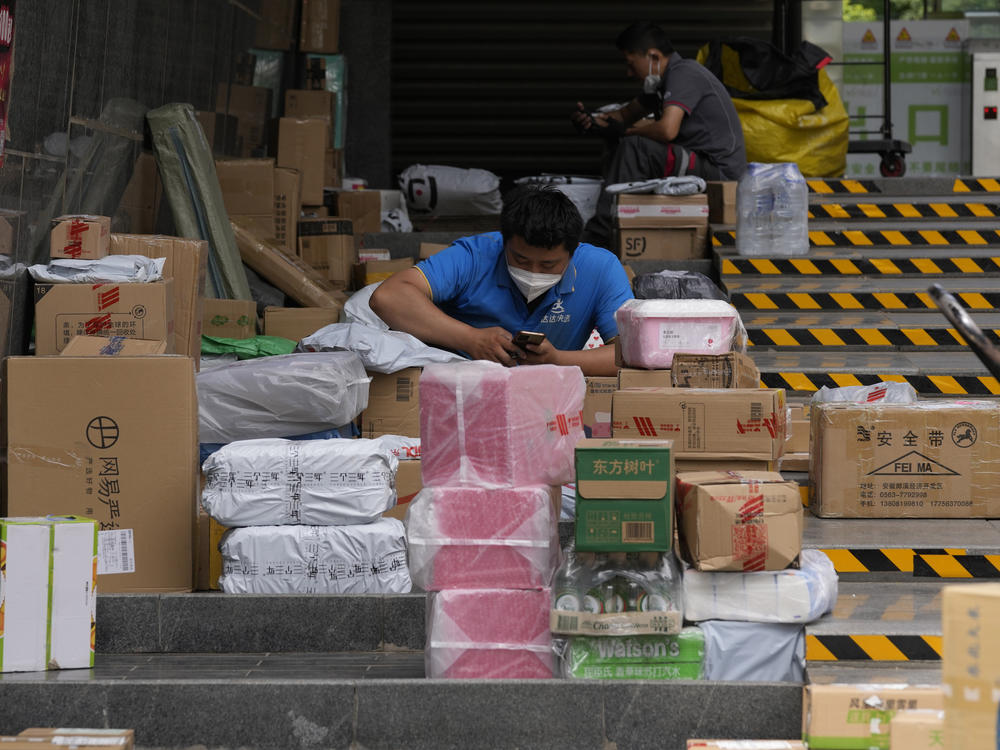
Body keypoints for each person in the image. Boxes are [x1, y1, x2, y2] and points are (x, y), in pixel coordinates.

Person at [369, 184, 633, 377]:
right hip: (458, 390)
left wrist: (557, 359)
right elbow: (388, 297)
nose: (534, 272)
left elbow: (630, 353)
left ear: (573, 252)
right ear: (503, 241)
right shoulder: (474, 255)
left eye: (549, 265)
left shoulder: (600, 268)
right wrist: (471, 339)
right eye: (520, 260)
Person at [573, 20, 747, 248]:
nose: (628, 73)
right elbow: (624, 115)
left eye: (631, 64)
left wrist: (625, 131)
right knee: (624, 141)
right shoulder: (660, 84)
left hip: (720, 171)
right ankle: (622, 223)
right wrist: (591, 121)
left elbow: (667, 130)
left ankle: (598, 237)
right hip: (697, 161)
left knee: (635, 147)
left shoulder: (684, 73)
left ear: (653, 57)